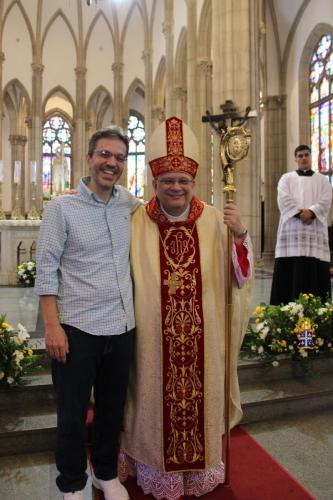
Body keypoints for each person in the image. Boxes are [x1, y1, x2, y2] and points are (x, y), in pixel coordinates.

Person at [119, 116, 253, 498]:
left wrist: (240, 233)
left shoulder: (214, 220)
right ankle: (154, 467)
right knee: (152, 404)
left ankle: (199, 472)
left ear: (193, 182)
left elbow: (240, 277)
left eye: (182, 180)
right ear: (155, 182)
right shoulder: (136, 223)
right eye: (168, 181)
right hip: (153, 345)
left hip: (203, 344)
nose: (175, 187)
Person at [35, 126, 141, 500]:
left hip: (122, 326)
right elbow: (46, 268)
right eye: (104, 155)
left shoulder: (130, 205)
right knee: (73, 412)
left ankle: (106, 474)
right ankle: (71, 482)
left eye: (118, 158)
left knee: (112, 408)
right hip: (77, 327)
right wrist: (52, 326)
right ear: (89, 157)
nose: (111, 163)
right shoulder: (61, 208)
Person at [270, 144, 332, 305]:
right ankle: (285, 313)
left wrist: (311, 212)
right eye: (300, 155)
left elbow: (326, 200)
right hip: (292, 236)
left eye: (306, 155)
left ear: (311, 157)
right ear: (296, 159)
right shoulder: (286, 178)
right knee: (291, 274)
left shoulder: (323, 180)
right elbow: (283, 199)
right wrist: (301, 214)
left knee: (314, 273)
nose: (304, 158)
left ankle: (319, 315)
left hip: (314, 236)